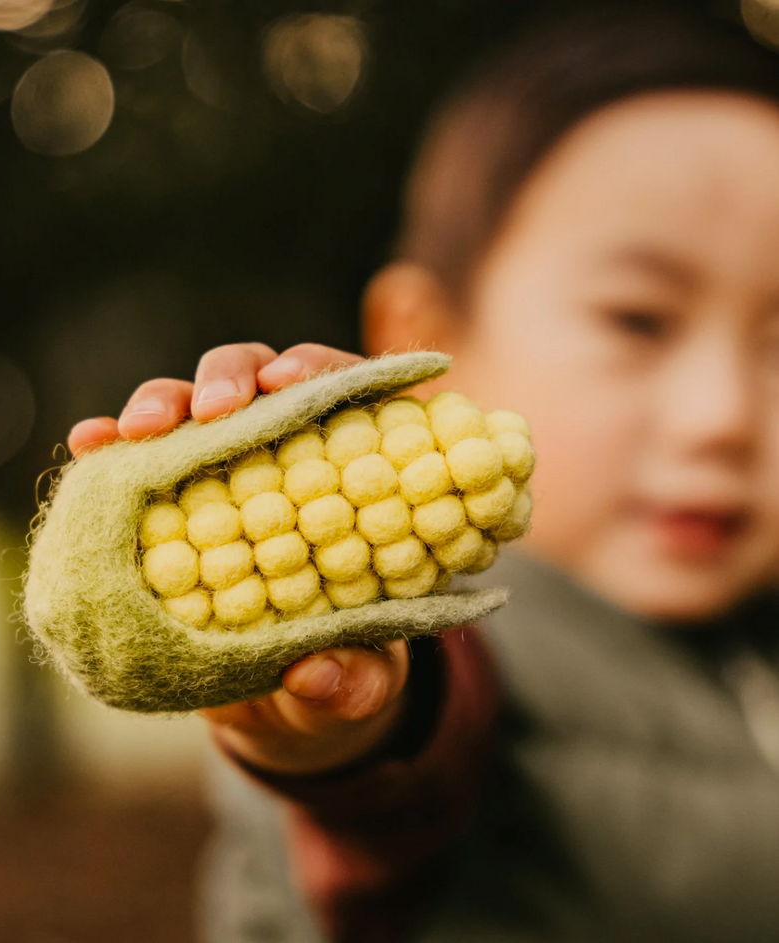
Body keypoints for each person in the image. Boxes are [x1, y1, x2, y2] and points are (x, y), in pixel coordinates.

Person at [67, 4, 779, 941]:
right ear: (427, 343)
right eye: (638, 320)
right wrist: (353, 723)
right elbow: (412, 758)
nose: (725, 415)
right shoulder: (473, 657)